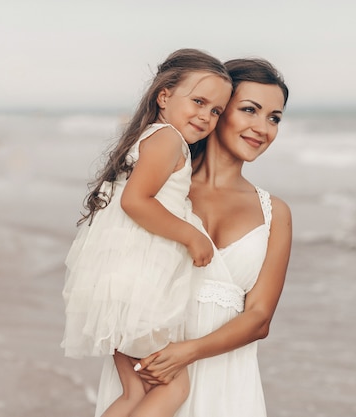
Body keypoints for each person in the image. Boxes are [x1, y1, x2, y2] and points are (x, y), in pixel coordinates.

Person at [93, 58, 292, 417]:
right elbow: (114, 262)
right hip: (151, 374)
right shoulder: (162, 191)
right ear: (217, 109)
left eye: (274, 117)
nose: (262, 128)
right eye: (250, 110)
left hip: (226, 382)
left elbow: (260, 318)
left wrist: (188, 352)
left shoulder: (274, 213)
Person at [62, 48, 232, 417]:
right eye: (199, 101)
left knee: (134, 392)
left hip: (120, 285)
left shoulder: (153, 137)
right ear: (165, 96)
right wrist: (192, 235)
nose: (206, 116)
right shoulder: (168, 139)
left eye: (216, 110)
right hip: (141, 289)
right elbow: (136, 202)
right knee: (175, 388)